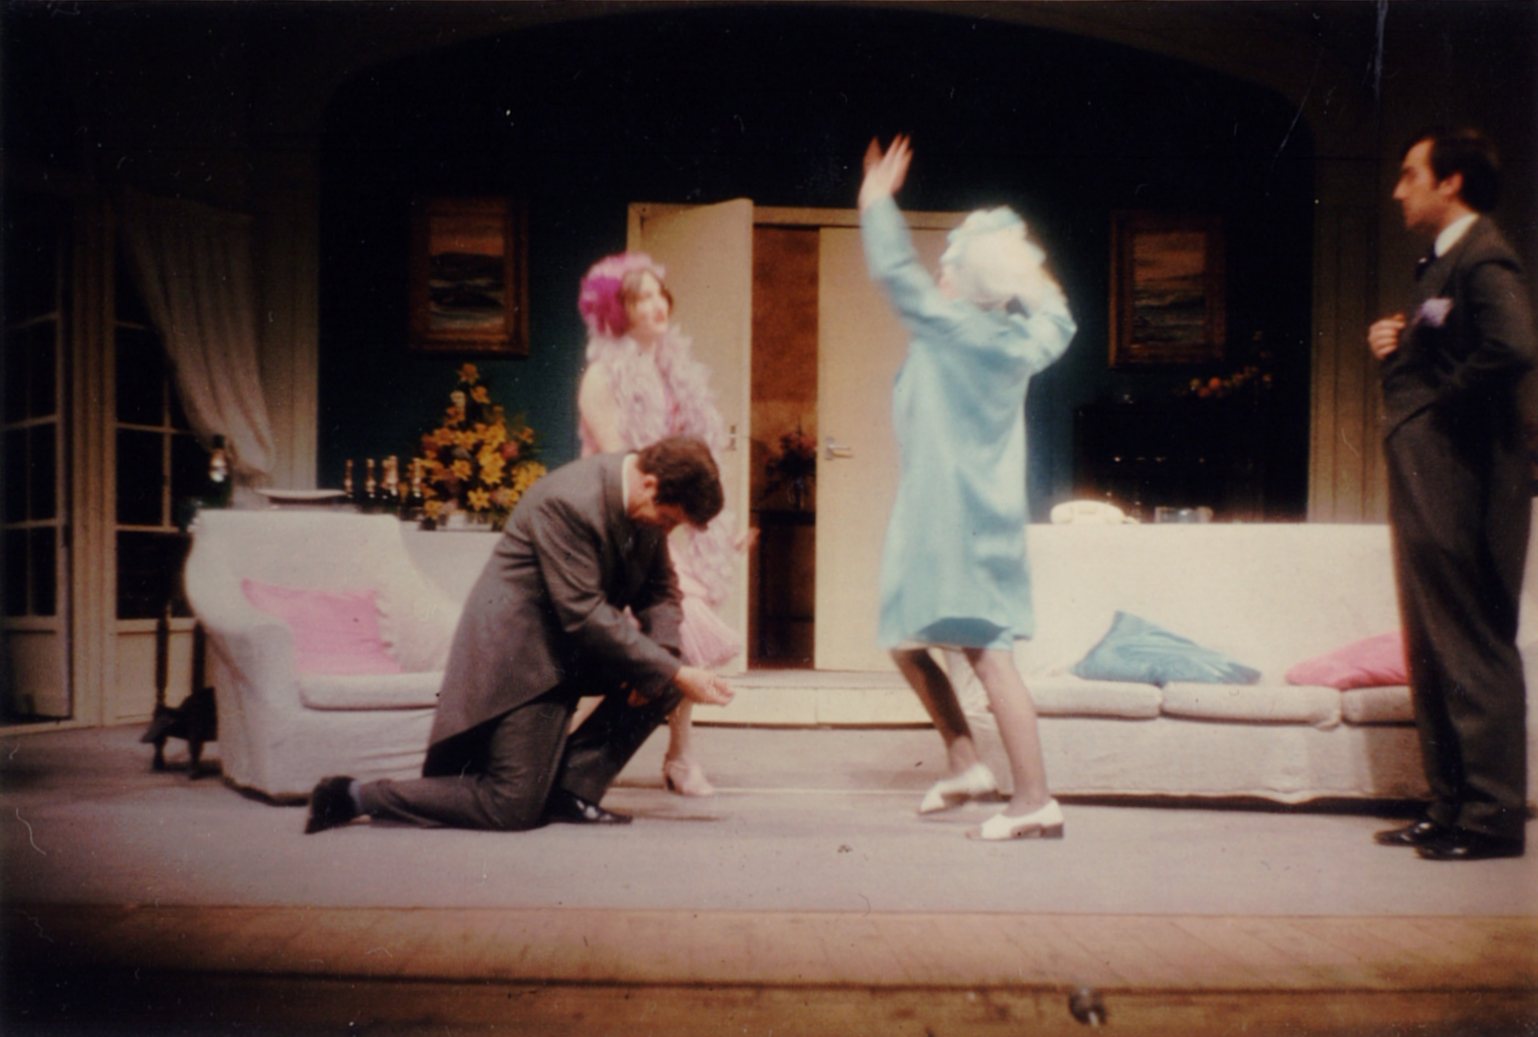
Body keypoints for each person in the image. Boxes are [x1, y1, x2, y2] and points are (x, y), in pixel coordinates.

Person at [303, 436, 735, 834]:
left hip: (573, 649)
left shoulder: (644, 505)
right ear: (649, 484)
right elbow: (583, 612)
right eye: (667, 519)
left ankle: (571, 791)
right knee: (510, 806)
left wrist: (663, 662)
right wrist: (672, 671)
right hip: (523, 659)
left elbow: (661, 592)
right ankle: (354, 795)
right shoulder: (570, 501)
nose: (666, 530)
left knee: (664, 673)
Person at [859, 134, 1076, 841]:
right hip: (952, 513)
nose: (938, 275)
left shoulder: (956, 330)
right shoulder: (1017, 339)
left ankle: (1034, 798)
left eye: (949, 266)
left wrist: (876, 202)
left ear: (964, 281)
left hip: (959, 517)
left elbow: (897, 274)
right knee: (903, 636)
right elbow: (1058, 320)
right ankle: (964, 760)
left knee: (988, 654)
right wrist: (1029, 277)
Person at [1366, 128, 1535, 861]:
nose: (1399, 190)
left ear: (1451, 182)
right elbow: (1451, 342)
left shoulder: (1483, 255)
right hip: (1432, 473)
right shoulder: (1441, 263)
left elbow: (1513, 347)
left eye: (1411, 174)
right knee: (1432, 641)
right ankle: (1449, 805)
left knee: (1468, 639)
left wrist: (1434, 408)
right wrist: (1401, 345)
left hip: (1463, 476)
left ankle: (1490, 817)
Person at [576, 252, 745, 797]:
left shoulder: (675, 373)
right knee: (665, 635)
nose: (655, 305)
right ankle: (600, 753)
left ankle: (680, 754)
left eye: (657, 293)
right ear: (615, 310)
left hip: (673, 526)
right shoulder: (602, 377)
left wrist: (714, 525)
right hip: (630, 525)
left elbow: (696, 462)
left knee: (676, 638)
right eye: (639, 297)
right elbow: (617, 464)